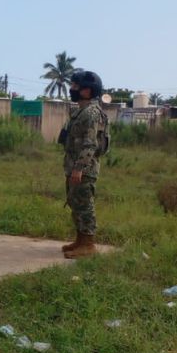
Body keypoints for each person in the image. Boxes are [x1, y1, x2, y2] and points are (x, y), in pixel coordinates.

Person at [61, 69, 108, 259]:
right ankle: (80, 240)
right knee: (75, 203)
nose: (71, 89)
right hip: (74, 166)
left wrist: (79, 168)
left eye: (75, 86)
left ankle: (88, 244)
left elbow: (90, 143)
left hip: (84, 169)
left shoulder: (90, 113)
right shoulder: (80, 111)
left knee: (85, 205)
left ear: (87, 91)